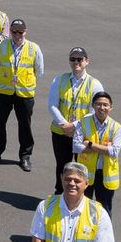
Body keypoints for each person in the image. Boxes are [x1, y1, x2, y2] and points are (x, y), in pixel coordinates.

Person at [0, 18, 44, 172]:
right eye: (14, 32)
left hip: (24, 93)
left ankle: (25, 156)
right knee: (0, 123)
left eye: (20, 32)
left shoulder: (34, 48)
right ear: (10, 32)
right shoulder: (2, 46)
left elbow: (39, 70)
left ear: (25, 32)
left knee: (25, 126)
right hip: (4, 92)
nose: (17, 35)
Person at [48, 47, 103, 191]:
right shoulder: (59, 80)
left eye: (80, 59)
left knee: (83, 167)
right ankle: (60, 193)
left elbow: (94, 111)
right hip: (61, 132)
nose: (76, 62)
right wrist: (64, 124)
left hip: (83, 134)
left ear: (87, 61)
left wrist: (75, 126)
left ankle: (82, 195)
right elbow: (52, 105)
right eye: (73, 59)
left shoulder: (95, 84)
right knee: (62, 165)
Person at [73, 92, 121, 219]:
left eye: (105, 105)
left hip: (105, 175)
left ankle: (104, 238)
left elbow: (114, 151)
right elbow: (76, 146)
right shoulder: (83, 122)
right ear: (93, 106)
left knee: (104, 211)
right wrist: (104, 148)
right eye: (98, 104)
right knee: (82, 208)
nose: (102, 107)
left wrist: (89, 144)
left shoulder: (116, 127)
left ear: (111, 107)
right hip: (86, 174)